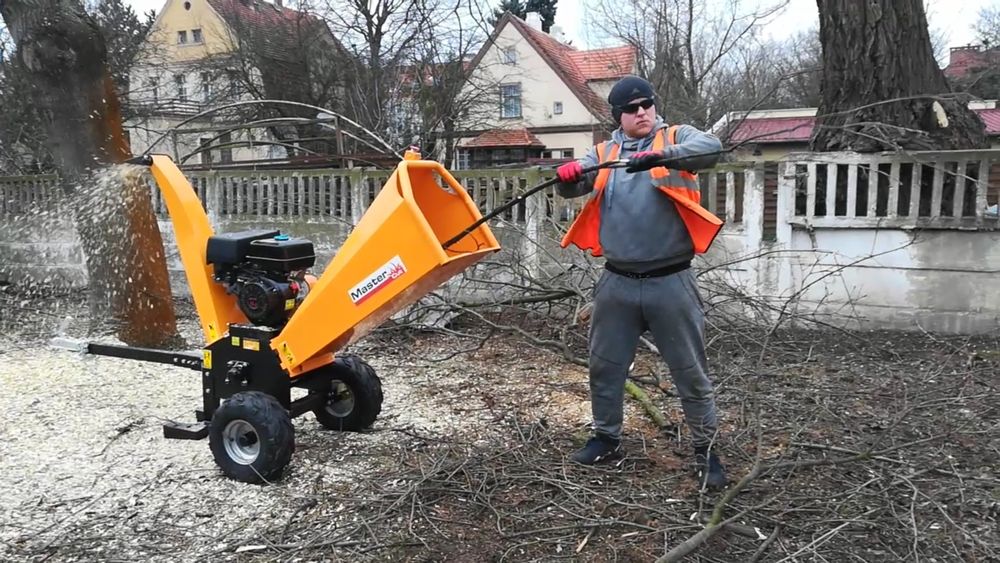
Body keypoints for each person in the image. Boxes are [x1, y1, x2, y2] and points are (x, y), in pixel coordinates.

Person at [554, 75, 727, 490]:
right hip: (617, 283)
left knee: (689, 371)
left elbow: (712, 150)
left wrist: (661, 156)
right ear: (618, 116)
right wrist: (565, 174)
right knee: (605, 367)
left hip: (672, 280)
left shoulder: (676, 136)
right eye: (632, 108)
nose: (642, 112)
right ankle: (606, 438)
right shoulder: (603, 153)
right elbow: (570, 187)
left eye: (647, 104)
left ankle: (707, 451)